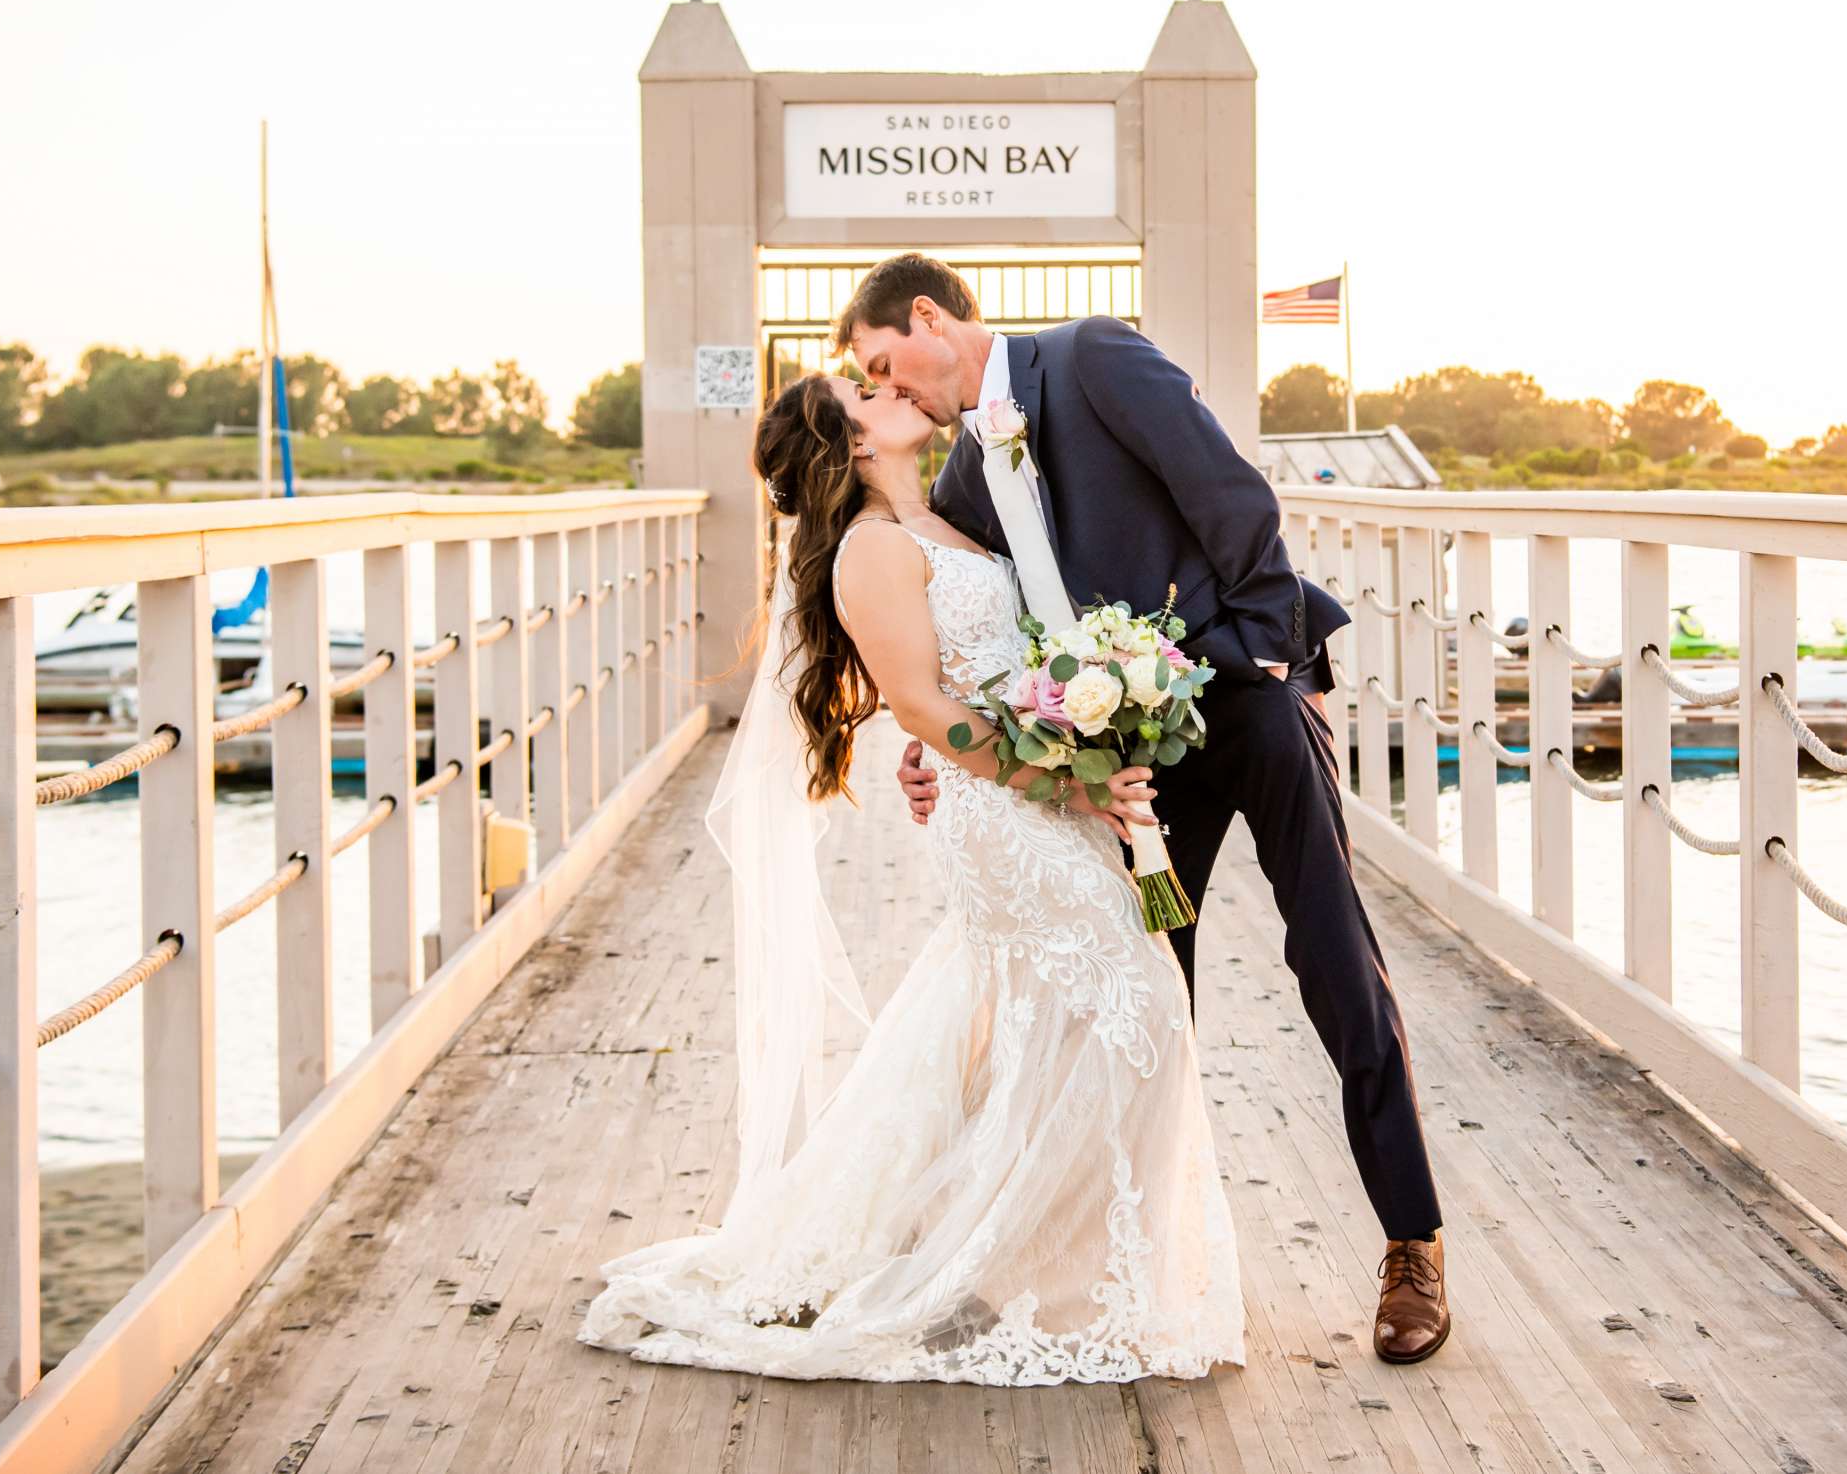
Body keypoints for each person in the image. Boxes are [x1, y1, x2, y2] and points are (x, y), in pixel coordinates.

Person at [576, 370, 1243, 1384]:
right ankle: (1046, 1274)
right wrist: (1064, 780)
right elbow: (923, 704)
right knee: (1136, 1006)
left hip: (1040, 793)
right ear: (850, 446)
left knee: (1050, 1019)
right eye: (867, 393)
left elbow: (992, 669)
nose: (893, 389)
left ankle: (1055, 1265)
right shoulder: (871, 550)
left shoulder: (947, 519)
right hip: (1005, 811)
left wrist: (1093, 730)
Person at [845, 253, 1451, 1364]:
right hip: (1123, 760)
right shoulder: (967, 478)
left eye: (890, 364)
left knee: (1333, 957)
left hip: (1253, 705)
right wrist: (926, 747)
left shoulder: (1093, 356)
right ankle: (1111, 1262)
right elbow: (961, 639)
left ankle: (1413, 1244)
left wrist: (1260, 661)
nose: (897, 394)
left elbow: (1233, 501)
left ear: (929, 317)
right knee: (1140, 992)